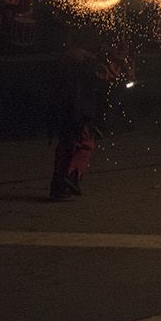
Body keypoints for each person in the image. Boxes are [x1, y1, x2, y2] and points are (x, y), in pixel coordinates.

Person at [48, 30, 121, 200]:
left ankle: (60, 187)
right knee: (84, 144)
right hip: (77, 110)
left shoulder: (65, 58)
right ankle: (68, 179)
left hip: (64, 109)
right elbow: (106, 77)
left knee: (66, 146)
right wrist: (117, 64)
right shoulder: (86, 60)